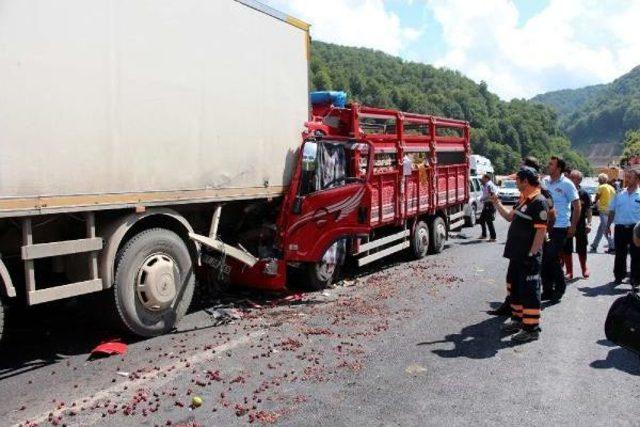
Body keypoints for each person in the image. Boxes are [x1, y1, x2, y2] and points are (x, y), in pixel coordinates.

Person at [491, 167, 549, 343]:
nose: (515, 182)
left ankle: (531, 329)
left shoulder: (539, 201)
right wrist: (496, 202)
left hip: (528, 257)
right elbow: (510, 217)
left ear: (525, 181)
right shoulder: (524, 199)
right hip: (516, 255)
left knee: (530, 292)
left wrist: (532, 254)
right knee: (514, 287)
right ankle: (517, 320)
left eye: (517, 180)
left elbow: (541, 232)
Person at [541, 156, 580, 302]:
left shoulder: (567, 184)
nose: (548, 166)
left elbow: (577, 206)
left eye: (551, 164)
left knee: (551, 257)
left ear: (558, 168)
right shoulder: (544, 182)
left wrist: (574, 225)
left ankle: (560, 287)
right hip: (544, 227)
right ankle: (547, 290)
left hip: (560, 227)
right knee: (544, 259)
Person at [606, 168, 640, 290]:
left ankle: (635, 280)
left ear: (637, 179)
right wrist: (607, 225)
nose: (627, 179)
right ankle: (619, 276)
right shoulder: (619, 194)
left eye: (630, 177)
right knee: (620, 254)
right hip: (620, 228)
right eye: (627, 177)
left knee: (636, 255)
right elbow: (612, 211)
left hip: (636, 229)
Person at [561, 170, 592, 279]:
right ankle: (569, 271)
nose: (571, 179)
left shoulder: (584, 193)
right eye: (570, 177)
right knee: (567, 247)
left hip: (580, 225)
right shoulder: (564, 192)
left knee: (582, 247)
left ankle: (584, 268)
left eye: (574, 178)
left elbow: (588, 209)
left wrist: (589, 223)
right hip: (566, 224)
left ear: (579, 180)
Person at [590, 174, 616, 253]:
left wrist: (594, 202)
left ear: (600, 180)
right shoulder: (611, 187)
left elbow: (597, 196)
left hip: (603, 210)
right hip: (611, 210)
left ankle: (612, 246)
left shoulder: (601, 187)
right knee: (601, 229)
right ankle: (594, 245)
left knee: (605, 229)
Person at [478, 174, 498, 241]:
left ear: (486, 178)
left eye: (483, 178)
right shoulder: (487, 184)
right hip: (487, 204)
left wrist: (482, 198)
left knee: (489, 221)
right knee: (481, 220)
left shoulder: (489, 185)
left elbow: (491, 194)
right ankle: (484, 235)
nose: (482, 179)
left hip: (489, 204)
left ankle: (493, 237)